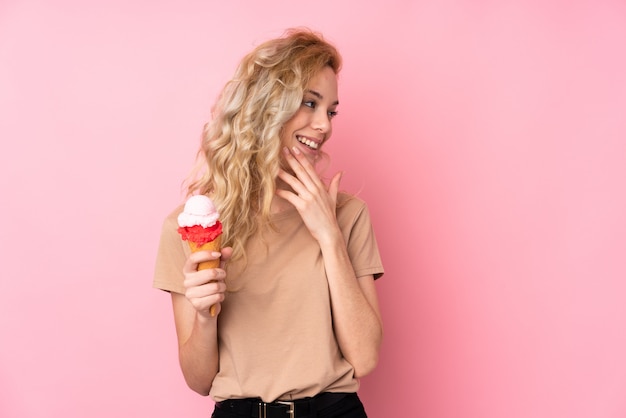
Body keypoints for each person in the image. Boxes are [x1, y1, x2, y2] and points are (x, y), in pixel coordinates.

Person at [153, 28, 384, 418]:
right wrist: (204, 315)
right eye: (309, 103)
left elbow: (364, 358)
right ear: (265, 107)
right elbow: (199, 380)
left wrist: (329, 236)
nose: (325, 125)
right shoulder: (191, 229)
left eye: (330, 110)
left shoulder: (347, 215)